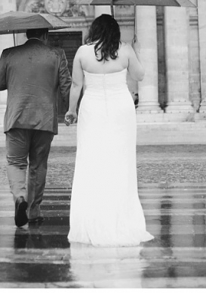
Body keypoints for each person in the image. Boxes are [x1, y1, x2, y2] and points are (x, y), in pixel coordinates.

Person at [65, 14, 154, 246]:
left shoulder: (82, 52)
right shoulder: (125, 50)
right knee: (121, 161)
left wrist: (71, 110)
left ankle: (92, 217)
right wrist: (137, 50)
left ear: (94, 30)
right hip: (121, 108)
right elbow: (140, 75)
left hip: (92, 107)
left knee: (91, 160)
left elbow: (76, 85)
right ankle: (120, 217)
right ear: (115, 31)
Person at [0, 28, 71, 227]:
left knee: (16, 162)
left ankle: (20, 197)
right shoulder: (57, 54)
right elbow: (66, 86)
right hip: (44, 119)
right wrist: (73, 110)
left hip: (16, 118)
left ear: (26, 35)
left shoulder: (9, 53)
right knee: (38, 165)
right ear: (45, 36)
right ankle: (34, 211)